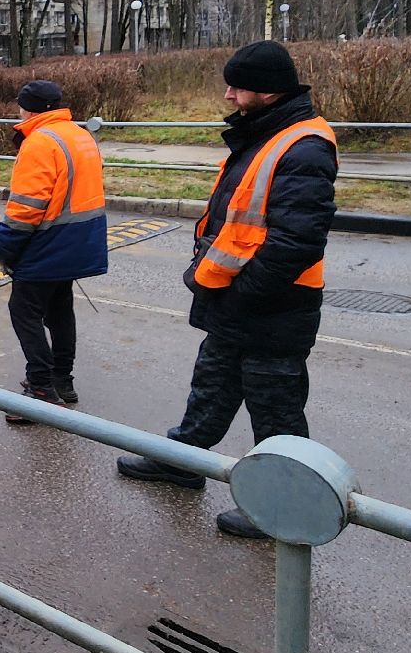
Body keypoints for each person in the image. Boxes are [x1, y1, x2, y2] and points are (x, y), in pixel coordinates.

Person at [116, 41, 337, 539]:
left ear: (267, 90)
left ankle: (284, 505)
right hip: (239, 299)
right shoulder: (268, 134)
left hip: (272, 305)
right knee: (212, 387)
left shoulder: (303, 146)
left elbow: (296, 241)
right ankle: (182, 461)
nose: (228, 95)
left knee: (276, 409)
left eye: (237, 86)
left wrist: (245, 294)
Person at [0, 80, 108, 420]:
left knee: (24, 311)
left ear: (28, 107)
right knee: (59, 311)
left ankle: (41, 388)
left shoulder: (40, 142)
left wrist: (5, 248)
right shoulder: (79, 134)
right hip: (80, 238)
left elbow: (27, 207)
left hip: (48, 241)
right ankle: (63, 380)